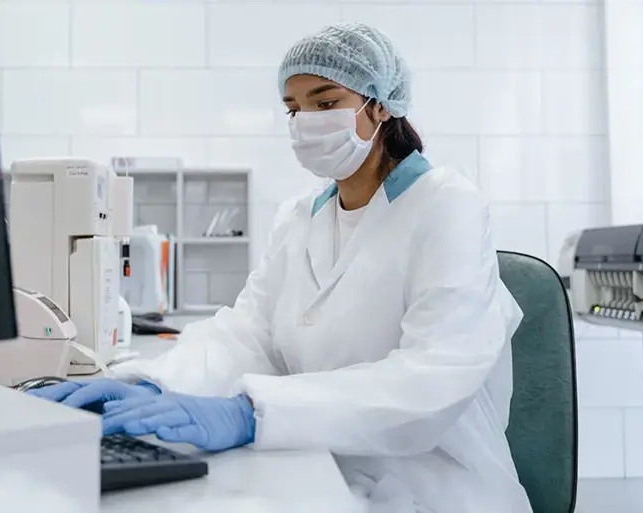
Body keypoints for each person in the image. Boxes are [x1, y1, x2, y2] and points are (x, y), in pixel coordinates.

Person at [30, 23, 533, 513]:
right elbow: (247, 334)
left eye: (325, 103)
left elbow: (433, 376)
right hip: (323, 465)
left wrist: (251, 412)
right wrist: (151, 382)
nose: (306, 121)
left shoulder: (446, 205)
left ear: (380, 104)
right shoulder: (300, 218)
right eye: (293, 109)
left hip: (434, 483)